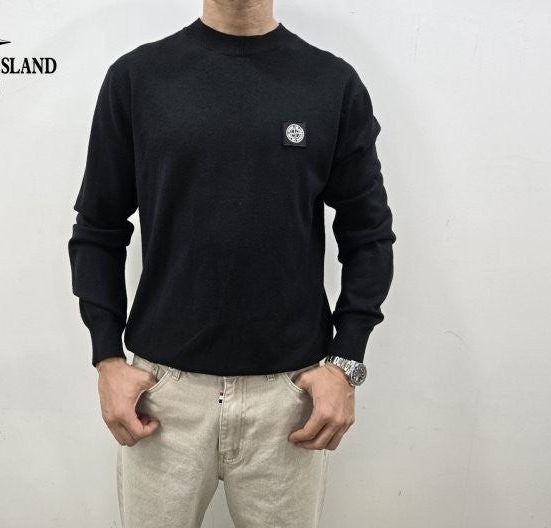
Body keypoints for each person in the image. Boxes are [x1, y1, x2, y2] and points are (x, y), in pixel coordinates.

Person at [67, 2, 396, 526]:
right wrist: (106, 357)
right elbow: (98, 228)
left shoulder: (331, 84)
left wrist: (346, 363)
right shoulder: (137, 78)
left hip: (290, 400)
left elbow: (368, 235)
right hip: (162, 397)